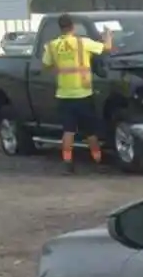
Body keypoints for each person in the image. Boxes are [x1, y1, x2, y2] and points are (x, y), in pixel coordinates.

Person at [41, 13, 108, 165]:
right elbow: (106, 48)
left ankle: (67, 161)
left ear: (60, 28)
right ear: (73, 27)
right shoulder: (82, 43)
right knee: (90, 132)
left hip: (64, 94)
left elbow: (46, 64)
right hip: (83, 93)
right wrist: (108, 35)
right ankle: (97, 159)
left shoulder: (52, 45)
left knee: (68, 131)